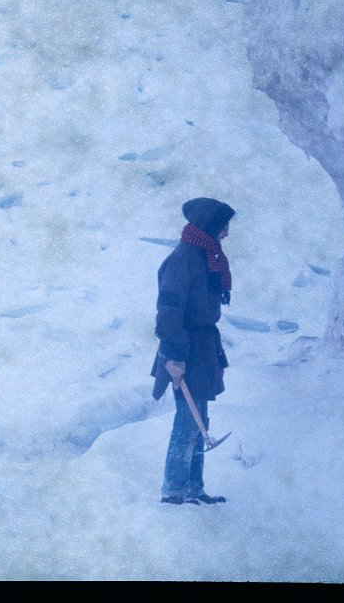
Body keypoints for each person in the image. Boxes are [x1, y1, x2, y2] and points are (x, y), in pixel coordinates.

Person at [150, 197, 235, 505]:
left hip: (201, 347)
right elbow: (168, 313)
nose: (226, 232)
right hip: (184, 347)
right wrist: (174, 357)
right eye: (223, 225)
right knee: (188, 421)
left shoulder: (206, 256)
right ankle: (173, 491)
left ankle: (193, 489)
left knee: (199, 420)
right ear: (210, 226)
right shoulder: (182, 260)